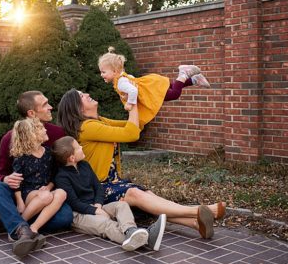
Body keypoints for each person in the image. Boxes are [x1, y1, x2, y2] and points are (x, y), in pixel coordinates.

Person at [56, 89, 226, 239]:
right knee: (136, 194)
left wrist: (133, 102)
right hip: (99, 188)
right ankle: (199, 210)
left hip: (113, 182)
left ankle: (195, 224)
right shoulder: (87, 127)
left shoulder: (100, 121)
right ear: (78, 108)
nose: (87, 94)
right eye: (81, 96)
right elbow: (131, 134)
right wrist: (132, 105)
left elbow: (135, 126)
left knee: (148, 197)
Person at [0, 91, 72, 257]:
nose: (51, 107)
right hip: (21, 192)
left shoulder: (58, 134)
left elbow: (60, 171)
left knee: (65, 217)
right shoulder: (9, 138)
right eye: (45, 104)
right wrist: (6, 178)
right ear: (31, 113)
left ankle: (10, 223)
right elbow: (0, 174)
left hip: (47, 193)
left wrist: (49, 188)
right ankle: (20, 228)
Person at [53, 136, 166, 251]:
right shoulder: (62, 177)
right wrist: (95, 211)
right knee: (106, 223)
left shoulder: (85, 165)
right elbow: (74, 203)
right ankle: (147, 239)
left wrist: (98, 204)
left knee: (122, 205)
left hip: (97, 206)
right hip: (79, 214)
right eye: (78, 147)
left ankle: (130, 230)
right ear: (72, 158)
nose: (81, 147)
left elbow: (98, 187)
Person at [97, 47, 210, 126]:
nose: (101, 75)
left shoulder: (120, 83)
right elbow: (133, 81)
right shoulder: (122, 77)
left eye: (103, 72)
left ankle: (184, 73)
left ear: (114, 71)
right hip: (151, 85)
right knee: (172, 87)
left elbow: (133, 91)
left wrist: (129, 103)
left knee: (174, 94)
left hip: (150, 92)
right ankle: (194, 79)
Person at [9, 118, 67, 237]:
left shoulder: (49, 153)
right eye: (40, 128)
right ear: (31, 135)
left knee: (61, 193)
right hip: (28, 194)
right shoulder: (21, 157)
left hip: (45, 191)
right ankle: (18, 227)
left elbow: (54, 175)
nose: (45, 130)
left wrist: (48, 187)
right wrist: (20, 203)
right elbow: (17, 182)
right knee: (46, 196)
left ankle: (33, 228)